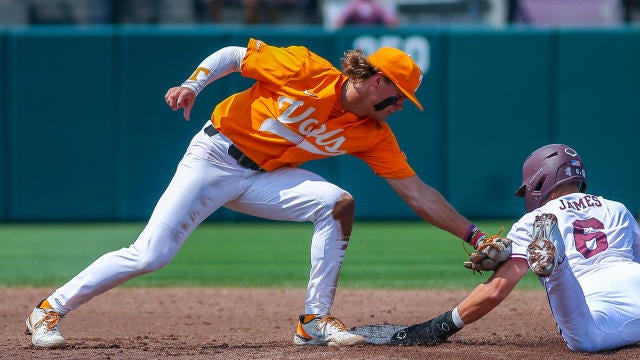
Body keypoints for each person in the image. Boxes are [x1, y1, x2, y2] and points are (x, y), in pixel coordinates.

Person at [25, 38, 496, 348]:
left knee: (337, 204)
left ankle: (314, 323)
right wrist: (194, 84)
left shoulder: (372, 134)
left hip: (264, 178)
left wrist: (474, 237)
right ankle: (48, 311)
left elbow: (418, 194)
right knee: (150, 254)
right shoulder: (307, 70)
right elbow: (235, 55)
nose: (398, 108)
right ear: (376, 82)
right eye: (397, 98)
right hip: (212, 159)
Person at [390, 144, 640, 352]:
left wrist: (439, 326)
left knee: (584, 340)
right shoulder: (616, 208)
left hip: (596, 308)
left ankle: (557, 260)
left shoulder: (534, 219)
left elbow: (497, 290)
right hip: (632, 277)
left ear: (542, 181)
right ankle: (554, 255)